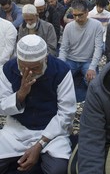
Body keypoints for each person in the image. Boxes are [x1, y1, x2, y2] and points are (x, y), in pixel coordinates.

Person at [0, 34, 76, 173]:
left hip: (51, 132)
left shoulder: (61, 70)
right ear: (18, 61)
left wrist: (40, 144)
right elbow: (2, 107)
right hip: (17, 130)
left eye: (35, 68)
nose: (29, 72)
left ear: (45, 59)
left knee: (57, 170)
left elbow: (66, 113)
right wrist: (21, 94)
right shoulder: (8, 69)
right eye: (23, 68)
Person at [59, 0, 103, 84]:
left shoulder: (97, 25)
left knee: (94, 83)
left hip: (88, 61)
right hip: (70, 60)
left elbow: (98, 48)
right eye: (74, 15)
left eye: (80, 15)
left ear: (87, 12)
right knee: (59, 79)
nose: (77, 18)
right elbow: (63, 48)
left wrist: (92, 67)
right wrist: (61, 64)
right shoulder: (68, 27)